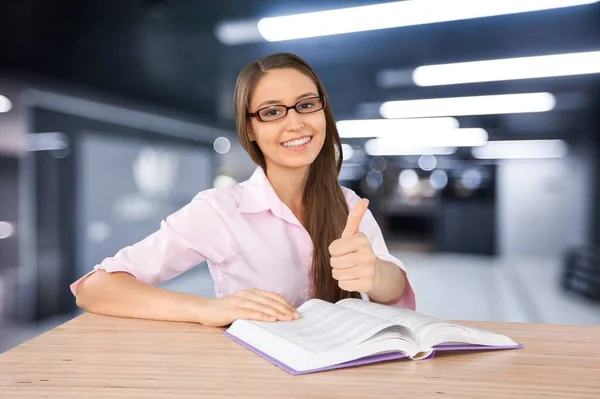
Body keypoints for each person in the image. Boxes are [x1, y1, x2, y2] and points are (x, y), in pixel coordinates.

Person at [71, 52, 416, 327]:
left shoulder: (349, 206)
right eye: (272, 112)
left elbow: (393, 291)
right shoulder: (220, 210)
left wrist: (373, 273)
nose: (295, 122)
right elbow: (95, 289)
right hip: (253, 377)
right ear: (248, 129)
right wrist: (208, 309)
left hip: (344, 372)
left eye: (307, 105)